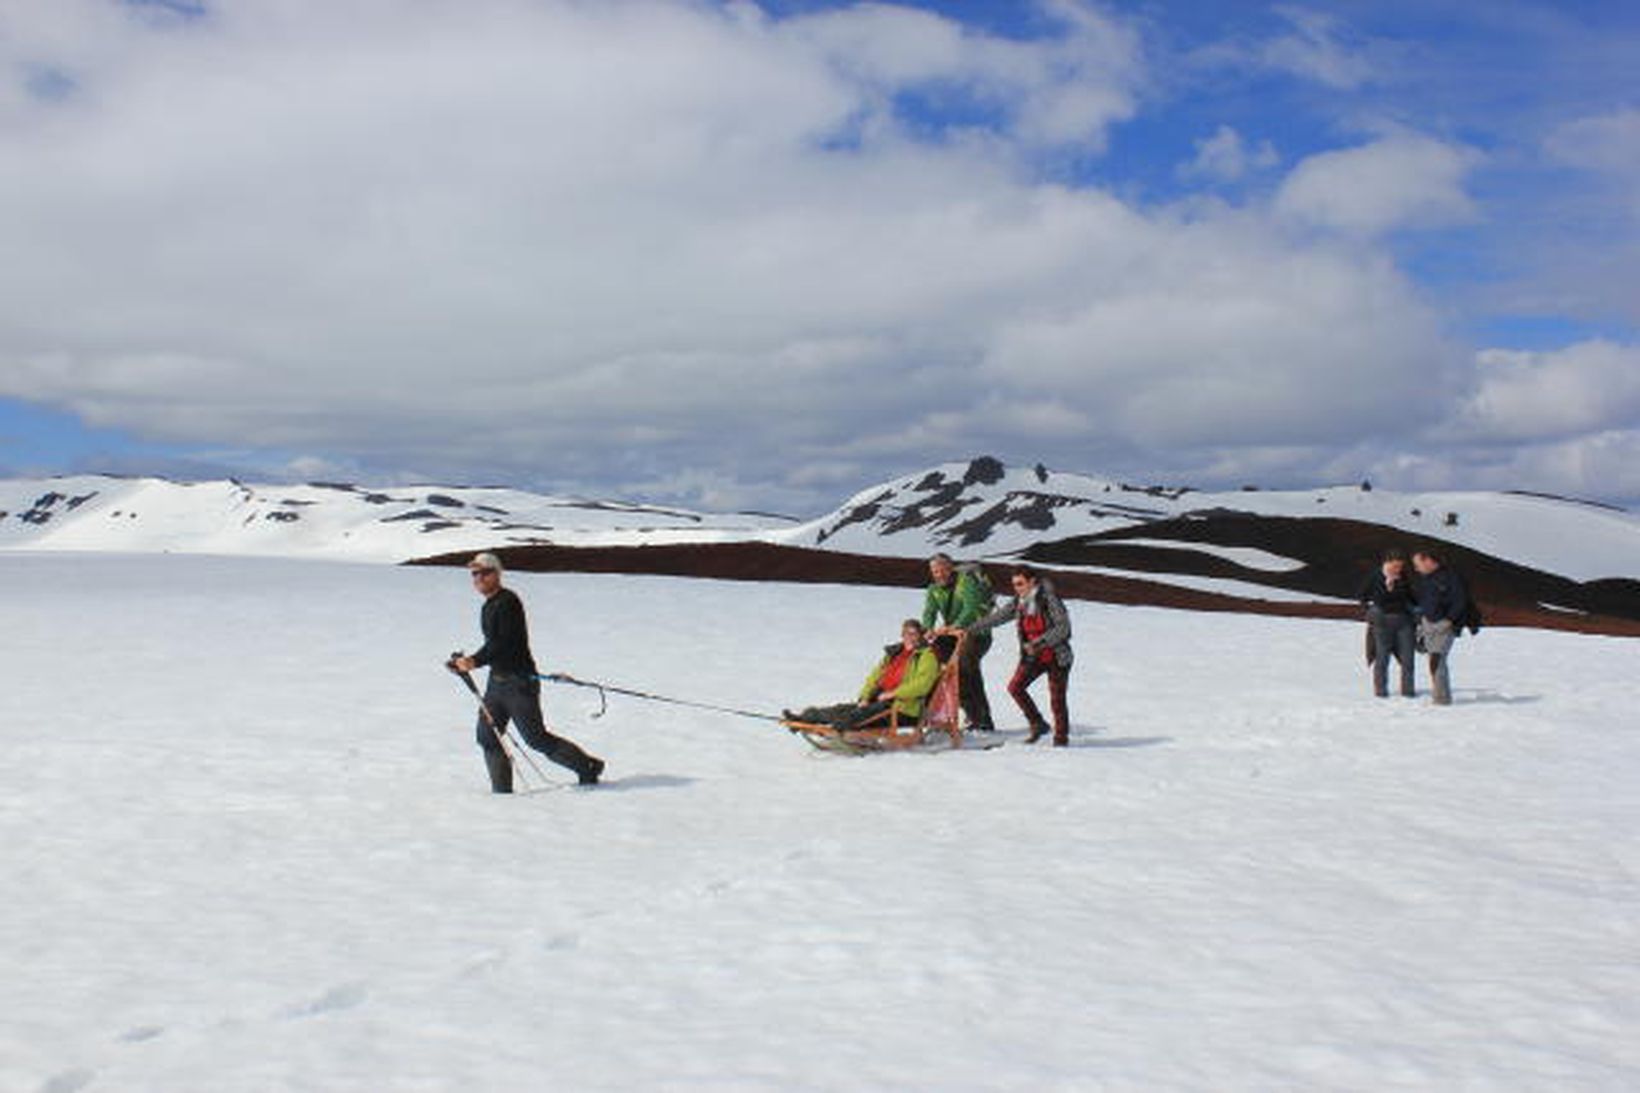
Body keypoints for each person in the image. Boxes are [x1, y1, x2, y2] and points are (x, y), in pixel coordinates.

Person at [450, 552, 605, 791]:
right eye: (474, 574)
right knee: (488, 736)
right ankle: (502, 795)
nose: (478, 578)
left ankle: (588, 767)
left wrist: (474, 661)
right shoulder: (489, 605)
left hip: (518, 683)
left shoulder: (508, 602)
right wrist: (468, 661)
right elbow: (493, 644)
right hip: (497, 683)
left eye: (484, 572)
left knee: (535, 738)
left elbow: (504, 643)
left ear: (497, 574)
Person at [962, 565, 1073, 746]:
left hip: (1057, 657)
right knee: (1015, 688)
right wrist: (970, 629)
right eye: (1014, 585)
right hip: (1033, 657)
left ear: (1032, 582)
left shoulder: (1049, 600)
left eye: (1020, 584)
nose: (1017, 588)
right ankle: (1038, 724)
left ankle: (1061, 740)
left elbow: (1063, 628)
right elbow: (998, 617)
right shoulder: (1019, 602)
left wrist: (1039, 643)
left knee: (1057, 700)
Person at [785, 619, 941, 732]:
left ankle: (837, 728)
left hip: (903, 708)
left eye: (913, 634)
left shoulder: (927, 656)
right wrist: (865, 697)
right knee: (843, 709)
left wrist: (892, 694)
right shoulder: (894, 653)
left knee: (859, 715)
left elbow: (922, 685)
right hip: (879, 699)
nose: (909, 637)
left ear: (920, 636)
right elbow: (874, 677)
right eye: (906, 633)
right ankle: (804, 718)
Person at [922, 553, 996, 732]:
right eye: (935, 571)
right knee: (939, 668)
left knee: (964, 672)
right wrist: (927, 630)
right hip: (952, 636)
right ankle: (975, 718)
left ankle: (979, 719)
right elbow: (929, 612)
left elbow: (971, 608)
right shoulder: (934, 589)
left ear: (951, 568)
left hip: (977, 635)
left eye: (943, 569)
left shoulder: (966, 582)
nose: (939, 574)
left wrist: (953, 626)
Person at [1411, 547, 1469, 706]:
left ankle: (1442, 700)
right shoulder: (1425, 579)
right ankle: (1440, 697)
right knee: (1434, 660)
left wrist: (1449, 621)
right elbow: (1420, 601)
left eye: (1418, 564)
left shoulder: (1450, 577)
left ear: (1428, 561)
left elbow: (1460, 601)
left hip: (1444, 626)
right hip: (1427, 624)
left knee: (1437, 660)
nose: (1416, 568)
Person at [1359, 548, 1417, 698]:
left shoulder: (1403, 576)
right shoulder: (1376, 576)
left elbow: (1411, 596)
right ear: (1387, 562)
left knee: (1408, 658)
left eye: (1401, 566)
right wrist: (1370, 612)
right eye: (1396, 565)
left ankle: (1408, 692)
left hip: (1404, 621)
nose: (1399, 569)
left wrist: (1419, 609)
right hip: (1382, 622)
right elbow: (1363, 596)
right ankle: (1381, 692)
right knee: (1382, 657)